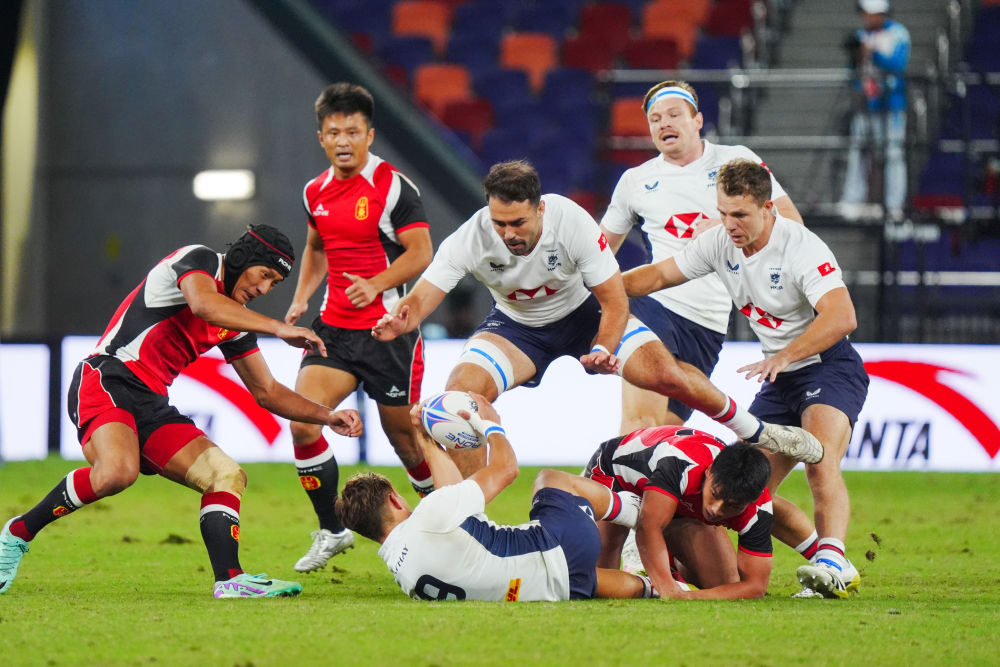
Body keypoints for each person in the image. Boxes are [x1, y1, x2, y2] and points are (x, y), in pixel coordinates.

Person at [372, 160, 824, 477]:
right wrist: (401, 320)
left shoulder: (572, 220)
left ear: (540, 208)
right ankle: (475, 508)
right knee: (459, 396)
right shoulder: (473, 235)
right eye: (500, 222)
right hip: (517, 328)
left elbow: (613, 300)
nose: (508, 233)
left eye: (517, 223)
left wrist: (604, 347)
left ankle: (757, 431)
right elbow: (425, 295)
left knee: (665, 374)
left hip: (585, 314)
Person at [0, 225, 364, 598]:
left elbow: (267, 392)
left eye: (274, 284)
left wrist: (326, 415)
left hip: (151, 401)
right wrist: (276, 328)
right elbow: (203, 305)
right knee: (116, 474)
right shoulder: (198, 260)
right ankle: (17, 533)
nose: (264, 289)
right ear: (242, 258)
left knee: (226, 474)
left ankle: (231, 579)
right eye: (265, 274)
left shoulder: (235, 323)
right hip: (106, 377)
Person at [623, 159, 870, 599]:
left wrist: (786, 356)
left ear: (767, 208)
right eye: (722, 212)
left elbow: (842, 316)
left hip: (828, 367)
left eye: (740, 214)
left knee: (819, 458)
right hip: (778, 377)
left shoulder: (801, 247)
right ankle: (830, 560)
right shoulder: (720, 243)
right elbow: (660, 274)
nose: (729, 224)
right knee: (747, 488)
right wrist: (604, 286)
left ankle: (831, 558)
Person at [283, 82, 435, 574]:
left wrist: (376, 285)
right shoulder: (314, 191)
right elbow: (316, 247)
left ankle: (443, 528)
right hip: (335, 330)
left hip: (389, 330)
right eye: (334, 132)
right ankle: (332, 530)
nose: (343, 139)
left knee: (405, 440)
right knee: (304, 423)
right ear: (321, 138)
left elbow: (421, 253)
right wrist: (303, 296)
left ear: (369, 134)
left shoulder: (393, 186)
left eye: (352, 130)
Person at [600, 80, 803, 435]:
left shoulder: (736, 160)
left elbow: (792, 222)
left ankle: (601, 486)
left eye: (675, 115)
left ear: (698, 121)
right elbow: (600, 250)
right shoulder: (636, 180)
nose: (664, 124)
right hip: (655, 307)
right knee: (638, 426)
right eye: (655, 119)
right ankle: (600, 488)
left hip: (708, 325)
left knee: (663, 439)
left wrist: (730, 222)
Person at [335, 393, 655, 601]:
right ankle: (641, 515)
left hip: (550, 586)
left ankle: (656, 589)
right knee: (550, 480)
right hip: (559, 546)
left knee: (587, 579)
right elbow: (507, 469)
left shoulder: (402, 572)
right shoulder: (430, 518)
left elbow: (450, 495)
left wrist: (426, 442)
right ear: (394, 500)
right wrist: (490, 426)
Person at [583, 425, 774, 600]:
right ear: (709, 472)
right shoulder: (680, 462)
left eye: (732, 507)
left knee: (725, 584)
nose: (716, 509)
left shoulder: (759, 508)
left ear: (751, 501)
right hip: (614, 474)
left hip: (676, 500)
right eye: (714, 494)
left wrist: (687, 596)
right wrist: (667, 587)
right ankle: (651, 570)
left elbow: (755, 587)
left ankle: (668, 567)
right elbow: (649, 526)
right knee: (602, 573)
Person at [838, 0, 910, 220]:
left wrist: (873, 52)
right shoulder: (860, 35)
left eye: (873, 14)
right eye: (866, 14)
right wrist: (856, 54)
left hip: (891, 105)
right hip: (865, 104)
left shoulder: (899, 34)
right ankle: (852, 200)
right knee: (857, 151)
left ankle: (895, 205)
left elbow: (897, 64)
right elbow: (852, 69)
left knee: (894, 154)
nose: (868, 18)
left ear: (883, 13)